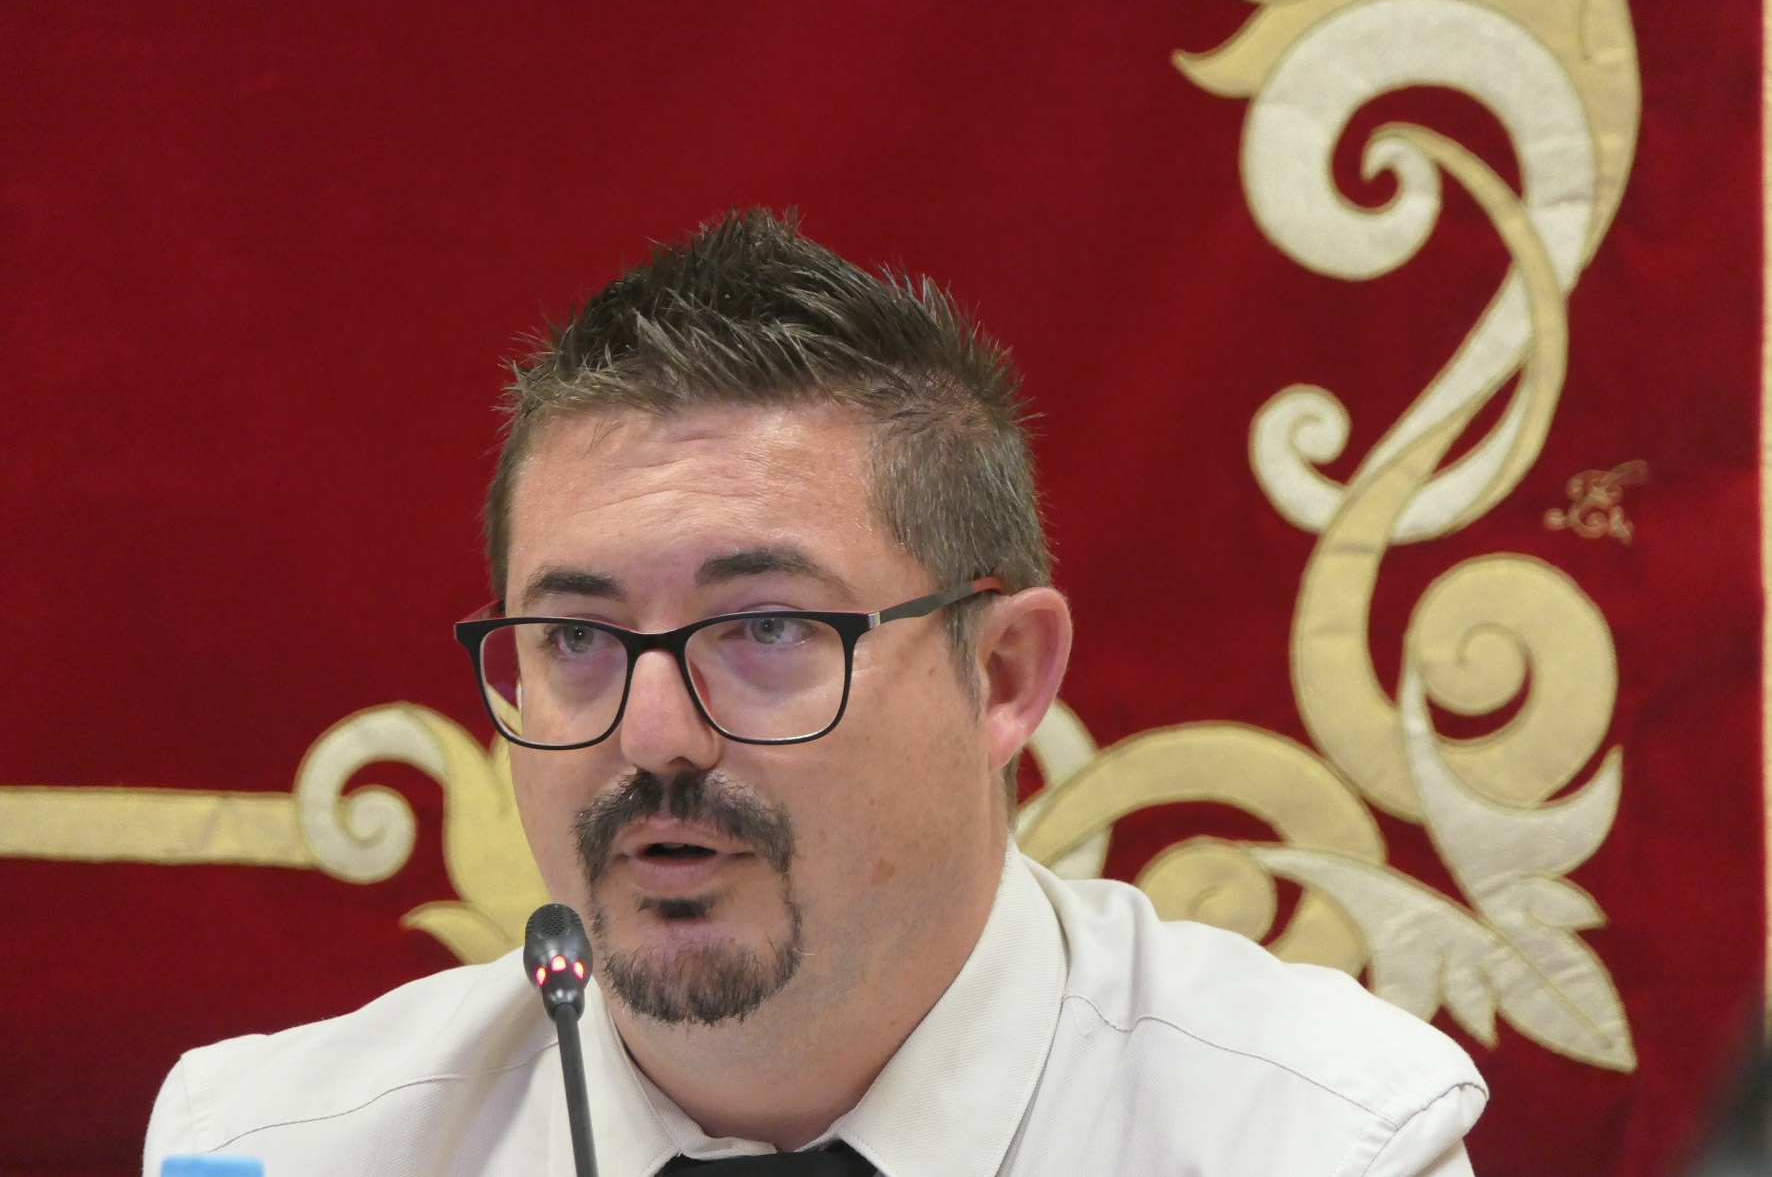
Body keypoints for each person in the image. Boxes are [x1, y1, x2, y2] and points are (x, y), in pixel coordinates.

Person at [143, 209, 1486, 1176]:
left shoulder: (1321, 1140)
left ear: (1003, 674)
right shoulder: (282, 1145)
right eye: (578, 637)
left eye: (766, 626)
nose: (653, 736)